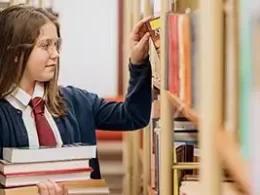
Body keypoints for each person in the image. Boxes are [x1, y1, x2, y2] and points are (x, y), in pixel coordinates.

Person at [0, 4, 152, 195]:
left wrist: (138, 63)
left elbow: (133, 116)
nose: (55, 54)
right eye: (45, 45)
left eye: (56, 45)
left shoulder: (77, 101)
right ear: (14, 53)